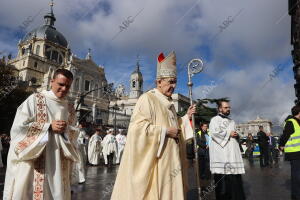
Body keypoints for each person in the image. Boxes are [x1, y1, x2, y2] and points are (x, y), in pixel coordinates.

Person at [111, 51, 196, 200]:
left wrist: (186, 117)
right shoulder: (147, 99)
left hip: (172, 161)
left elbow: (176, 128)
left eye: (175, 82)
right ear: (159, 82)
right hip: (158, 163)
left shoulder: (169, 104)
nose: (173, 86)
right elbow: (136, 130)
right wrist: (164, 132)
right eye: (170, 81)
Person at [3, 69, 79, 200]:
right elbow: (18, 128)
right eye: (61, 84)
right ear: (51, 82)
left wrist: (67, 129)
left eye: (68, 86)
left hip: (59, 161)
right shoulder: (35, 100)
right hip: (35, 159)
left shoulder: (70, 108)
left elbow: (74, 132)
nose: (64, 89)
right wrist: (48, 126)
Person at [209, 100, 245, 200]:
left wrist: (237, 135)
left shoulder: (232, 121)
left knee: (235, 182)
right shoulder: (214, 120)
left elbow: (236, 134)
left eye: (229, 107)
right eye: (226, 107)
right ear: (220, 108)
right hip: (222, 157)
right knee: (223, 184)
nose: (228, 109)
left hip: (233, 156)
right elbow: (214, 133)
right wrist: (229, 133)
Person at [279, 105, 300, 200]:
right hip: (294, 152)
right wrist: (281, 145)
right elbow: (284, 136)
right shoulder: (291, 122)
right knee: (296, 175)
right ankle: (296, 195)